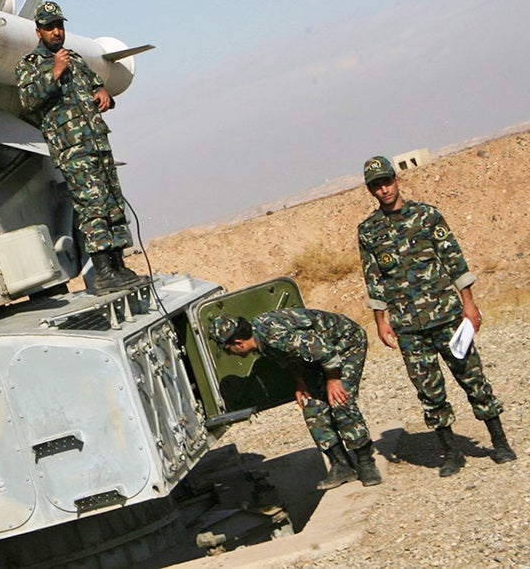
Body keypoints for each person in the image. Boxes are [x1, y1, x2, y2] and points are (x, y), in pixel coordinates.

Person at [358, 155, 516, 476]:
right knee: (429, 391)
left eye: (387, 181)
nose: (384, 189)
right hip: (408, 327)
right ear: (371, 190)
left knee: (472, 378)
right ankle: (451, 453)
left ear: (396, 180)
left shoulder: (427, 216)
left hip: (447, 316)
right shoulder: (369, 231)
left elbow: (454, 259)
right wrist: (380, 321)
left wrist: (469, 306)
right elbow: (373, 278)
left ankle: (498, 441)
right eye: (376, 185)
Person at [15, 0, 141, 294]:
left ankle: (118, 265)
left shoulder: (77, 59)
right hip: (73, 150)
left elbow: (97, 88)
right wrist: (54, 73)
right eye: (49, 28)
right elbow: (28, 101)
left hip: (97, 143)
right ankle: (104, 270)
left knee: (112, 204)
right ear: (38, 32)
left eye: (59, 26)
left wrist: (104, 95)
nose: (56, 32)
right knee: (92, 207)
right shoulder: (29, 66)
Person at [210, 309, 382, 489]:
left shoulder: (273, 335)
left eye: (228, 350)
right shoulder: (260, 339)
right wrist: (301, 384)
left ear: (238, 343)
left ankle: (366, 462)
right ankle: (341, 465)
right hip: (318, 357)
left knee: (339, 400)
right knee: (311, 406)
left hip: (344, 345)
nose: (230, 354)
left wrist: (333, 380)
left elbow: (325, 350)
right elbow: (287, 358)